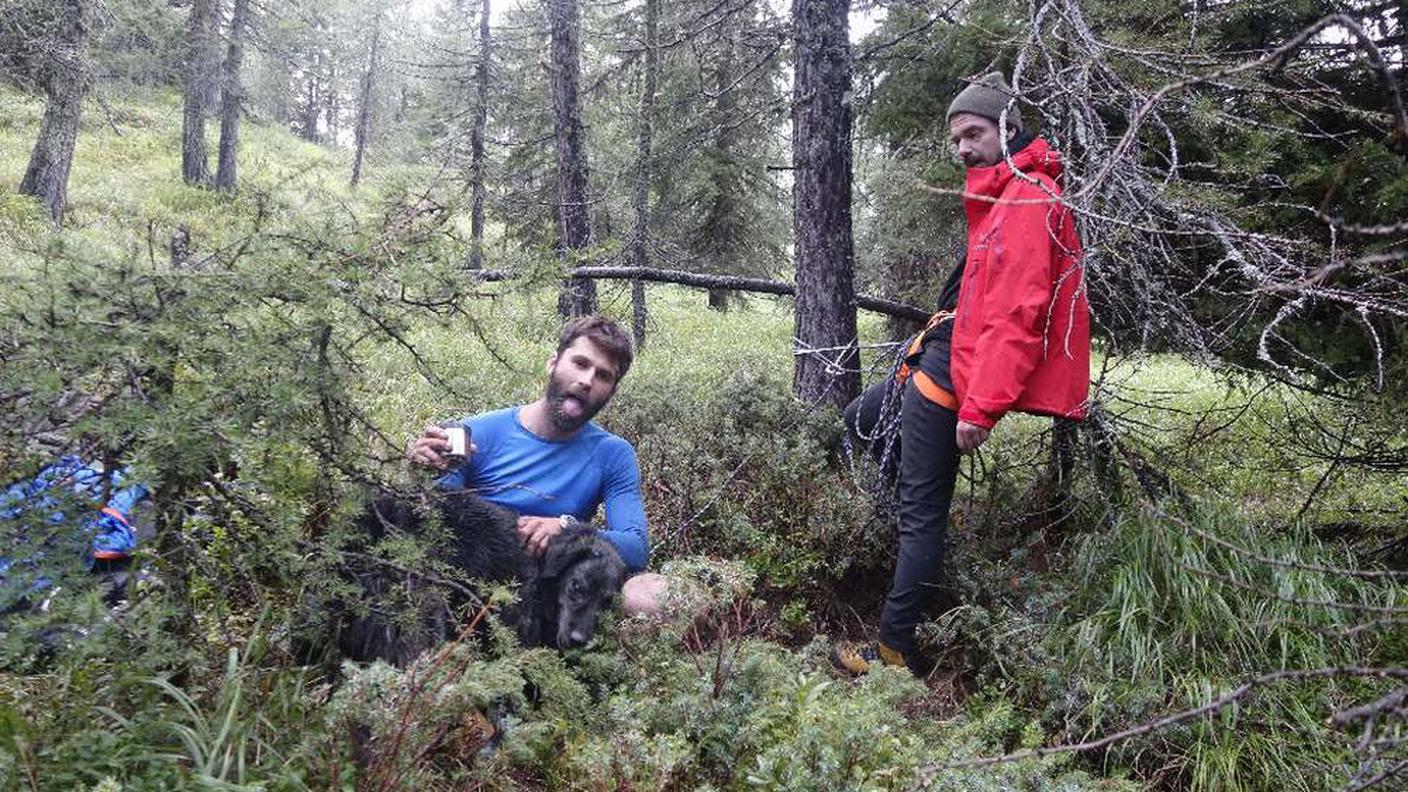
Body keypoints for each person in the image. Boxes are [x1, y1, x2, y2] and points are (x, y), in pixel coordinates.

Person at [832, 72, 1090, 675]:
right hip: (937, 362)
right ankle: (901, 531)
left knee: (924, 521)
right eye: (956, 140)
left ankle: (894, 650)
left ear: (1007, 128)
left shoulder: (1028, 201)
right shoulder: (1004, 194)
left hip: (951, 382)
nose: (962, 149)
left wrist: (981, 408)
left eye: (973, 134)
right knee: (857, 421)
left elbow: (1017, 318)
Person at [407, 315, 667, 618]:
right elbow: (441, 522)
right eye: (580, 364)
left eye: (603, 376)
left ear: (611, 392)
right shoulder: (475, 435)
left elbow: (635, 548)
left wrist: (568, 528)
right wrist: (424, 475)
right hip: (470, 579)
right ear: (553, 363)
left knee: (655, 595)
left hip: (553, 591)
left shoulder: (613, 454)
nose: (586, 381)